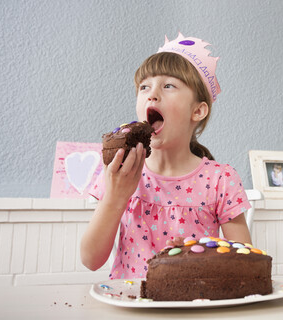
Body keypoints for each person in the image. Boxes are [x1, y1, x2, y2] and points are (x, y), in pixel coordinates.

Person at [80, 33, 252, 279]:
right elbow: (90, 260)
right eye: (144, 87)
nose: (152, 94)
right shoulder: (119, 171)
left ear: (198, 110)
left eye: (169, 85)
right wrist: (116, 197)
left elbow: (244, 263)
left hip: (196, 307)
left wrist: (202, 254)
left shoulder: (221, 179)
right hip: (133, 307)